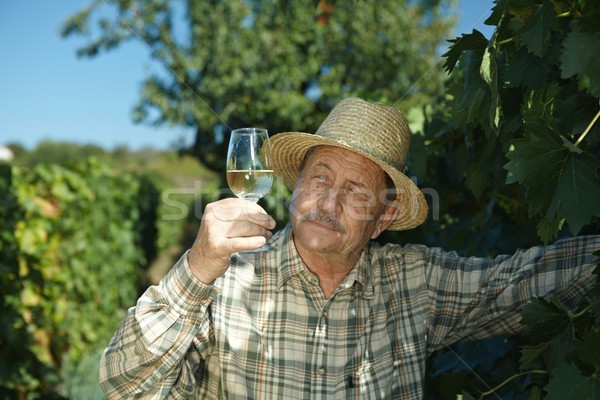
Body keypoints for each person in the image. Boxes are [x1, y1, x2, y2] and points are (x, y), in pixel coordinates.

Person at [99, 97, 599, 399]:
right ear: (295, 189)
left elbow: (522, 283)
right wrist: (197, 264)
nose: (329, 201)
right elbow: (123, 386)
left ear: (383, 218)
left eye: (357, 191)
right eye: (319, 177)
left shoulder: (413, 281)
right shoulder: (224, 280)